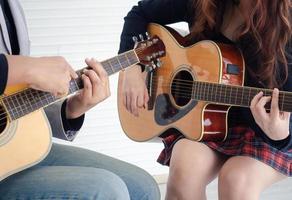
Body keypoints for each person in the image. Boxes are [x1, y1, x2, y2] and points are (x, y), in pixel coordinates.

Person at [118, 0, 292, 199]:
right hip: (207, 118)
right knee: (184, 168)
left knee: (236, 180)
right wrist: (132, 66)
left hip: (268, 130)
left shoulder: (287, 20)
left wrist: (281, 137)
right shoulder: (201, 3)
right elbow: (139, 14)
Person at [0, 0, 160, 199]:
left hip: (12, 153)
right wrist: (20, 68)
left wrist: (71, 110)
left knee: (142, 186)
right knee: (105, 189)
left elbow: (9, 103)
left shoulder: (10, 6)